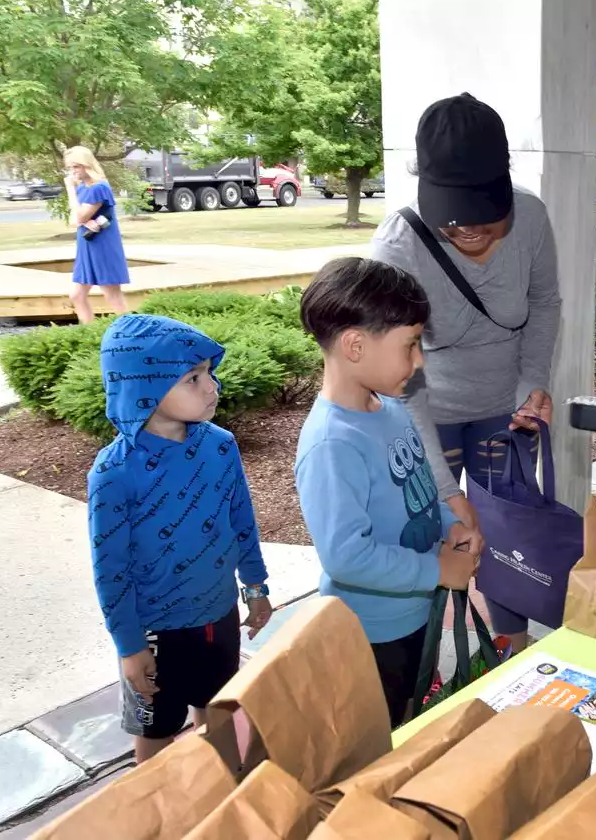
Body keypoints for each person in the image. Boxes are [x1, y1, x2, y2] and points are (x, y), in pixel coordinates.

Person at [370, 93, 562, 652]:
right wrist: (446, 490)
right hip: (430, 409)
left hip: (506, 406)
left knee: (509, 532)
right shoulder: (397, 247)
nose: (470, 227)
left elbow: (546, 302)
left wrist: (532, 383)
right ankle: (428, 658)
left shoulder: (531, 217)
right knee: (435, 531)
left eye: (483, 208)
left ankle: (511, 649)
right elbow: (400, 382)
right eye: (452, 213)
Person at [295, 257, 479, 728]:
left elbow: (416, 487)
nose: (418, 361)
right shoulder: (333, 444)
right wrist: (435, 567)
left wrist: (448, 523)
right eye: (411, 345)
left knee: (408, 712)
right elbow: (346, 557)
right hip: (368, 634)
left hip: (414, 612)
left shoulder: (392, 410)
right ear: (355, 345)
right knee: (376, 737)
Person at [87, 314, 272, 764]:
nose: (212, 387)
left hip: (219, 616)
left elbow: (240, 518)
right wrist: (130, 648)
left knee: (220, 711)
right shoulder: (113, 474)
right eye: (193, 377)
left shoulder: (220, 446)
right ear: (141, 388)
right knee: (156, 733)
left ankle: (225, 791)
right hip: (155, 633)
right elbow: (110, 570)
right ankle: (157, 817)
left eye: (209, 372)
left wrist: (256, 587)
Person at [64, 146, 131, 323]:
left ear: (86, 165)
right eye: (70, 168)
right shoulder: (83, 189)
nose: (72, 172)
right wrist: (85, 221)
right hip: (87, 245)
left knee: (113, 296)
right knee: (77, 295)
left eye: (76, 167)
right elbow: (73, 220)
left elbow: (78, 215)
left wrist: (70, 190)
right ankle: (90, 336)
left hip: (102, 246)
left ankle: (134, 336)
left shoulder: (99, 187)